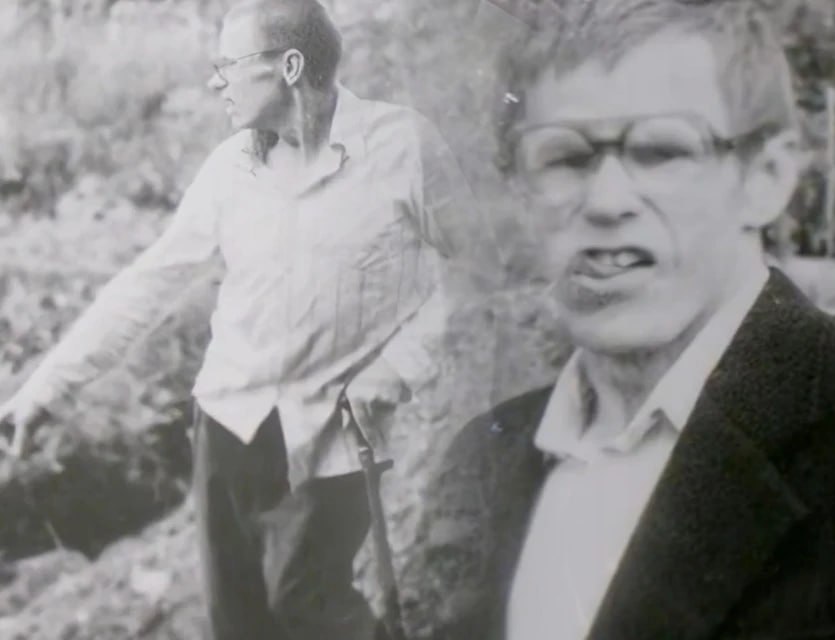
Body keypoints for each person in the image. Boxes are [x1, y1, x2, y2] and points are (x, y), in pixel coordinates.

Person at [419, 1, 835, 638]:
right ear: (518, 192)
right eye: (563, 158)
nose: (606, 201)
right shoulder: (486, 459)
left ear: (765, 178)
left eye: (661, 151)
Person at [0, 0, 487, 638]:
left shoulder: (401, 147)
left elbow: (477, 272)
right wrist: (46, 387)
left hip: (333, 433)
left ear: (290, 66)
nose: (215, 82)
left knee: (309, 608)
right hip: (226, 429)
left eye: (227, 65)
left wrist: (396, 369)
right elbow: (149, 282)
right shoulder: (230, 167)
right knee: (238, 625)